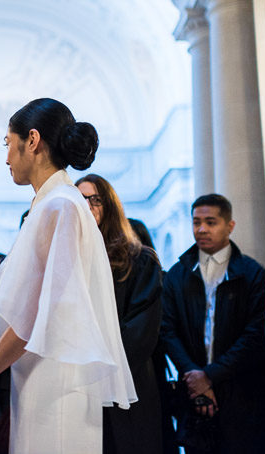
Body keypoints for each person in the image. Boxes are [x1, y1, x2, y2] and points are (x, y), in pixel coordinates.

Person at [0, 98, 135, 453]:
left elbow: (30, 321)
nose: (6, 157)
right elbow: (5, 326)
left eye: (7, 143)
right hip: (38, 377)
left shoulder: (61, 206)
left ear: (32, 140)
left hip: (56, 385)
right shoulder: (51, 204)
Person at [161, 194, 265, 453]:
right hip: (195, 396)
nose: (201, 229)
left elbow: (255, 334)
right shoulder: (177, 275)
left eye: (210, 222)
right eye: (196, 222)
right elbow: (167, 330)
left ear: (230, 226)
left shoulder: (252, 273)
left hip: (244, 394)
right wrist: (195, 377)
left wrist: (209, 376)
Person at [76, 173, 163, 454]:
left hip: (126, 382)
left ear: (110, 206)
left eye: (96, 200)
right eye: (80, 199)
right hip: (77, 386)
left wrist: (97, 366)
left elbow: (141, 331)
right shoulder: (67, 258)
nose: (87, 206)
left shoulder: (140, 259)